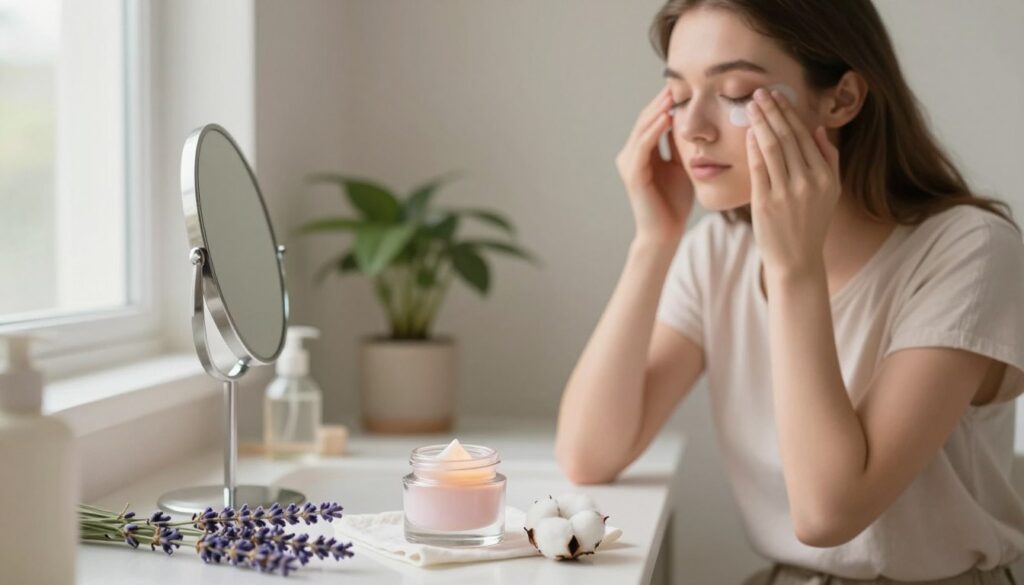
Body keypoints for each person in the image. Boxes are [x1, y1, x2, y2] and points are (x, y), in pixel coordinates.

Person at [553, 1, 1024, 583]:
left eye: (735, 93)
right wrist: (655, 241)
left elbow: (829, 513)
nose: (694, 127)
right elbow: (589, 454)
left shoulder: (969, 252)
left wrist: (794, 267)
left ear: (842, 99)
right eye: (677, 96)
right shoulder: (717, 254)